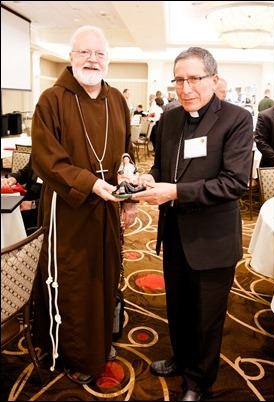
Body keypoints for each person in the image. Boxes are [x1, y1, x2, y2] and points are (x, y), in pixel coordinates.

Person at [132, 47, 253, 401]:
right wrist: (148, 179)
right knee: (179, 306)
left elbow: (234, 183)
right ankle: (181, 358)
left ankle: (199, 380)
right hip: (174, 233)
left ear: (213, 80)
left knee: (207, 318)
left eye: (194, 79)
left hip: (212, 239)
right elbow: (163, 168)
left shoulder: (236, 119)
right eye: (179, 80)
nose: (185, 88)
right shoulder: (169, 119)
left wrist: (175, 192)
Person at [30, 25, 137, 385]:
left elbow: (126, 149)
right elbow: (48, 160)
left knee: (104, 276)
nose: (92, 60)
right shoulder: (52, 99)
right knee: (75, 283)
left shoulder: (116, 100)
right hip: (69, 209)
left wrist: (127, 187)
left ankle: (99, 341)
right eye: (84, 53)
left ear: (108, 59)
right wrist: (92, 183)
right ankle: (72, 353)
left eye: (100, 54)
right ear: (71, 57)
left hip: (108, 207)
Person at [1, 155, 42, 231]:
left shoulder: (57, 162)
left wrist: (33, 204)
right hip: (26, 198)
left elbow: (59, 199)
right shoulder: (37, 152)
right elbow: (25, 172)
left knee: (8, 219)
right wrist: (14, 179)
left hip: (41, 209)